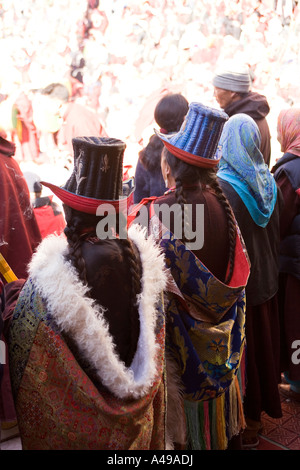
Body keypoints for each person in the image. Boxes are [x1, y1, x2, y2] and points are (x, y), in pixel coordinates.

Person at [2, 136, 168, 450]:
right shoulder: (142, 261)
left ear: (70, 210)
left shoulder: (52, 277)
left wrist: (13, 299)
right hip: (138, 433)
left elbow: (26, 340)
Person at [130, 102, 251, 450]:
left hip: (179, 360)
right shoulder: (223, 206)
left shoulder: (155, 213)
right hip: (221, 349)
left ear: (171, 163)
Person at [217, 113, 283, 448]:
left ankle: (246, 423)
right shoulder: (268, 181)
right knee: (264, 349)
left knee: (248, 356)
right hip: (268, 281)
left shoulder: (226, 187)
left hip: (243, 287)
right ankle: (257, 420)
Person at [271, 107, 300, 402]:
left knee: (295, 323)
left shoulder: (290, 171)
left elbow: (277, 220)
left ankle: (296, 379)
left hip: (294, 265)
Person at [212, 61, 271, 167]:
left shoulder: (240, 122)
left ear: (232, 92)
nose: (214, 95)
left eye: (216, 90)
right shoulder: (255, 111)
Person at [134, 93, 189, 204]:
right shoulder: (192, 151)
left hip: (155, 216)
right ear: (185, 118)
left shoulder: (148, 152)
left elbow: (139, 199)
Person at [39, 83, 107, 157]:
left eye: (46, 103)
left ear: (57, 103)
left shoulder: (79, 119)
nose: (43, 108)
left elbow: (94, 154)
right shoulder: (67, 114)